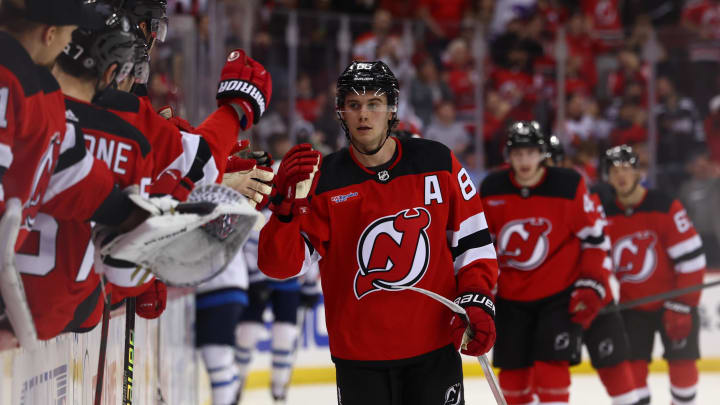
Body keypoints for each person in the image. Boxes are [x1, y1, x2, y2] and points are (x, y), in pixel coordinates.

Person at [258, 61, 499, 405]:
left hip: (432, 351)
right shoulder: (324, 180)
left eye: (374, 104)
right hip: (360, 361)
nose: (364, 115)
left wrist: (476, 297)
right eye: (354, 105)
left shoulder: (437, 162)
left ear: (391, 110)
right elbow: (281, 267)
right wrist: (283, 212)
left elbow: (473, 245)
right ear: (341, 112)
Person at [480, 121, 611, 405]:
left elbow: (595, 240)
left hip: (557, 297)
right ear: (508, 156)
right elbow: (481, 247)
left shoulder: (568, 184)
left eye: (530, 153)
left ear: (542, 153)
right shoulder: (492, 188)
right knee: (513, 381)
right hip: (510, 299)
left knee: (552, 376)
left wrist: (590, 285)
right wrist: (481, 290)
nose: (524, 161)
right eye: (517, 154)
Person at [600, 145, 706, 405]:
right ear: (607, 177)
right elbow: (597, 263)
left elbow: (692, 260)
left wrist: (683, 304)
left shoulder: (664, 206)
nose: (620, 175)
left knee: (683, 370)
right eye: (614, 170)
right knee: (632, 373)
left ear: (638, 172)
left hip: (674, 302)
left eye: (626, 168)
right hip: (632, 306)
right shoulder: (604, 215)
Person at [0, 0, 106, 246]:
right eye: (69, 33)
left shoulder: (36, 82)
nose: (68, 43)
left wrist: (130, 213)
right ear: (50, 34)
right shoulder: (12, 73)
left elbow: (69, 170)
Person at [546, 137, 642, 405]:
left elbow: (603, 246)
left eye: (551, 161)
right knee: (548, 377)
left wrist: (595, 286)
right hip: (553, 302)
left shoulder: (590, 196)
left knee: (616, 371)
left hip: (597, 297)